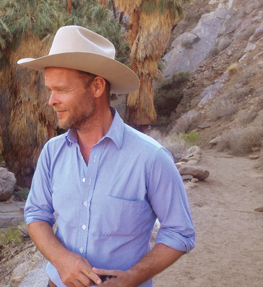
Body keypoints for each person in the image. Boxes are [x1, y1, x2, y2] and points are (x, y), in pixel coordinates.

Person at [18, 26, 195, 287]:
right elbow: (36, 214)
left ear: (98, 86)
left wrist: (134, 277)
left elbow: (180, 232)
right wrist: (62, 259)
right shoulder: (52, 152)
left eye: (61, 90)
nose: (51, 101)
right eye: (49, 90)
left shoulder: (151, 158)